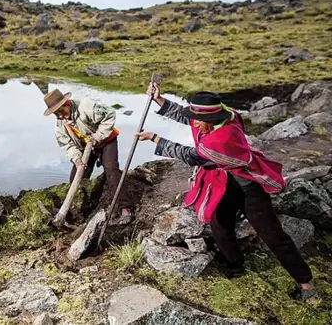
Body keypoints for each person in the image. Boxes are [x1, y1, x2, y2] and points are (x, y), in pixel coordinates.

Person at [135, 82, 317, 301]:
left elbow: (190, 155)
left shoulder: (222, 138)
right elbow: (189, 118)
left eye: (201, 121)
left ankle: (306, 283)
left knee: (272, 234)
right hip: (223, 182)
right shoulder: (223, 115)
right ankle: (234, 264)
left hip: (248, 186)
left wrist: (155, 138)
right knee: (220, 225)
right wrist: (159, 99)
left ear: (212, 120)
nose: (196, 125)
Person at [43, 88, 133, 225]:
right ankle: (77, 212)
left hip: (106, 140)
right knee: (75, 177)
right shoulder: (59, 124)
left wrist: (97, 137)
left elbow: (110, 114)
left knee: (111, 170)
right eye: (57, 114)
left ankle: (125, 208)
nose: (61, 116)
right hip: (86, 147)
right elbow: (66, 145)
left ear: (67, 103)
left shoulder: (86, 106)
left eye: (62, 112)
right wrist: (77, 159)